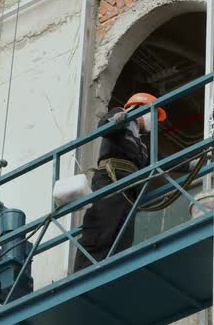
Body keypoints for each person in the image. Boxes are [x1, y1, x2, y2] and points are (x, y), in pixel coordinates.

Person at [73, 93, 170, 272]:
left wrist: (194, 162)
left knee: (124, 235)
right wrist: (116, 119)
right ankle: (84, 271)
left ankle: (113, 270)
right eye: (154, 115)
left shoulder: (143, 145)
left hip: (129, 189)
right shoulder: (121, 116)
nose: (155, 122)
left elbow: (162, 161)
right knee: (102, 227)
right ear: (140, 108)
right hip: (110, 179)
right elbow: (103, 126)